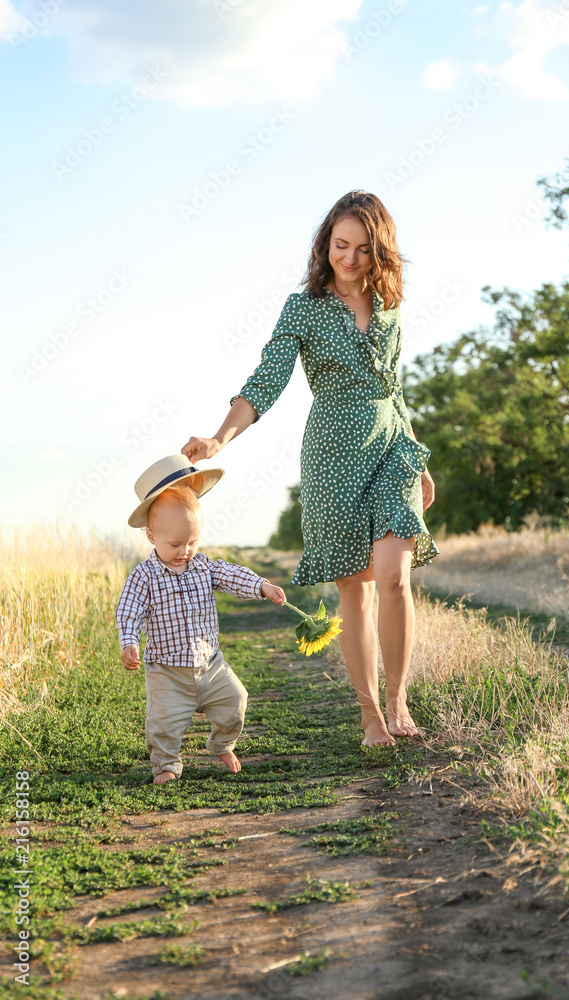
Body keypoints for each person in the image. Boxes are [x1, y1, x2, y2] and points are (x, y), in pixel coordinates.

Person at [181, 190, 438, 748]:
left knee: (395, 577)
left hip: (392, 447)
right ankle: (370, 715)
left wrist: (416, 455)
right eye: (340, 245)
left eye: (363, 249)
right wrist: (220, 437)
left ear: (380, 252)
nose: (349, 258)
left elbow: (393, 386)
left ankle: (398, 703)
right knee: (357, 594)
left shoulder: (391, 305)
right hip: (332, 458)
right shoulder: (302, 308)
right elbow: (267, 380)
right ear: (325, 244)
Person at [116, 454, 286, 784]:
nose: (185, 551)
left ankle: (221, 743)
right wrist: (128, 642)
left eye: (192, 542)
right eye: (175, 543)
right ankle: (166, 765)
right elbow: (129, 609)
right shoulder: (144, 576)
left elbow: (232, 574)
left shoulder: (203, 566)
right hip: (167, 672)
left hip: (211, 665)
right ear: (151, 537)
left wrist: (262, 586)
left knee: (237, 700)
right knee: (163, 724)